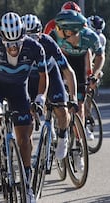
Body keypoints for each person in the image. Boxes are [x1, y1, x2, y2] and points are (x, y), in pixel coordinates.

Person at [0, 12, 48, 202]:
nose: (13, 48)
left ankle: (27, 185)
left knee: (24, 139)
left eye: (17, 43)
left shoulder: (34, 47)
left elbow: (43, 76)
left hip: (18, 89)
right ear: (2, 38)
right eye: (9, 44)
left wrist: (39, 99)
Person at [22, 14, 78, 160]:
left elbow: (68, 71)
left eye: (34, 36)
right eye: (27, 37)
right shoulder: (17, 47)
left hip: (51, 76)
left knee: (61, 108)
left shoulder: (48, 42)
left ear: (40, 34)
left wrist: (73, 99)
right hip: (29, 79)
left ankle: (62, 137)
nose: (31, 41)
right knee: (26, 121)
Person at [51, 10, 105, 144]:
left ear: (69, 32)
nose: (55, 29)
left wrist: (95, 74)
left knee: (79, 106)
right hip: (62, 61)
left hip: (79, 62)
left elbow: (100, 55)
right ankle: (54, 126)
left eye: (59, 27)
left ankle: (78, 144)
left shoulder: (91, 37)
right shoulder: (53, 35)